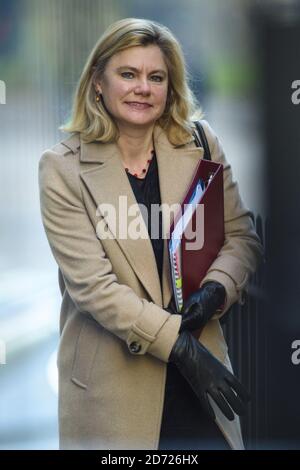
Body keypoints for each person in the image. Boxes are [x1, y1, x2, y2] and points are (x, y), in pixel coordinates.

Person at [38, 17, 264, 450]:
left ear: (170, 86)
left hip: (204, 383)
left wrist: (216, 291)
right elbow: (94, 289)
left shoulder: (201, 142)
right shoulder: (61, 168)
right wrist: (179, 348)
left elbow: (242, 237)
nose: (143, 87)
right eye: (128, 74)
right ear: (98, 83)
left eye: (155, 77)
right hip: (114, 389)